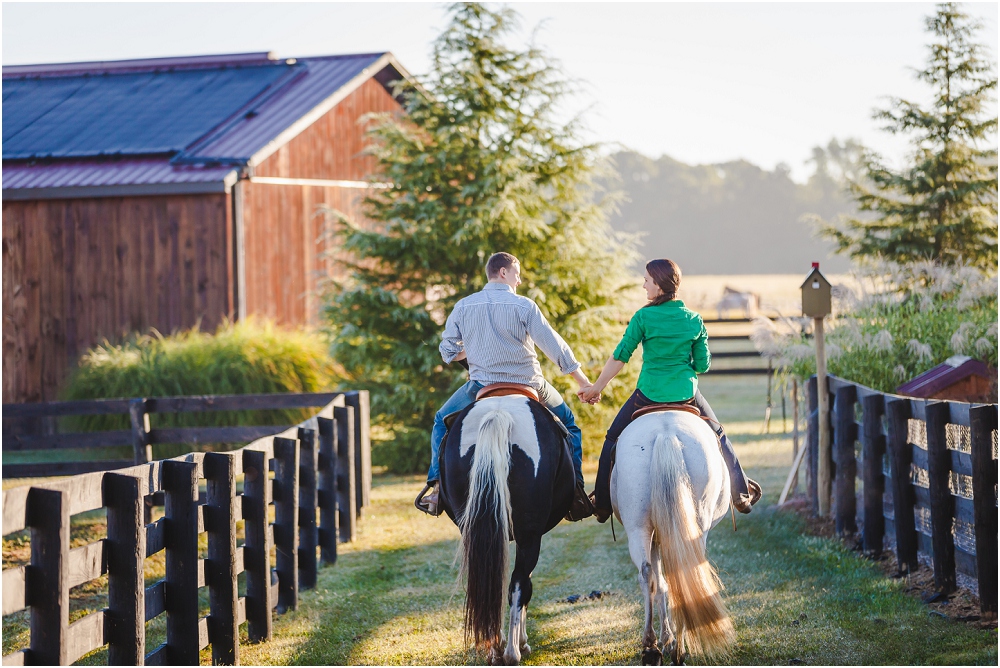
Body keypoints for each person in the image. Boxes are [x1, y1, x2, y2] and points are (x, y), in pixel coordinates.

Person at [414, 252, 596, 520]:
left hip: (481, 385)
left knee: (441, 420)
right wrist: (583, 382)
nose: (519, 280)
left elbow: (447, 351)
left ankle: (438, 487)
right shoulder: (524, 306)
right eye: (517, 273)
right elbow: (555, 347)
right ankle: (576, 494)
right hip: (528, 383)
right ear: (503, 272)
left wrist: (473, 353)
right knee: (569, 425)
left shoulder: (464, 306)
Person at [578, 258, 762, 522]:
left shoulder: (643, 317)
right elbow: (703, 364)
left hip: (648, 393)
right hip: (685, 393)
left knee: (612, 439)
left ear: (660, 285)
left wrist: (596, 387)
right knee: (719, 435)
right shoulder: (694, 319)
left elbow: (621, 356)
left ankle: (603, 504)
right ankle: (740, 493)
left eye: (646, 281)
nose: (643, 286)